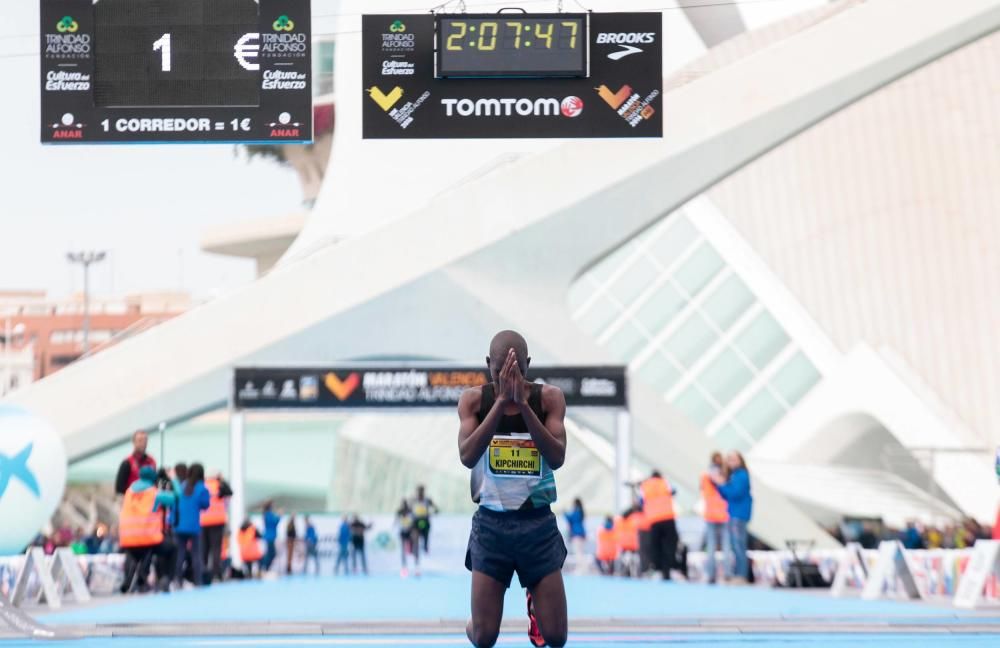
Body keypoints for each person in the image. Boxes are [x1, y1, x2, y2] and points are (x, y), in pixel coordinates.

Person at [458, 331, 568, 648]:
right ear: (488, 365)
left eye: (516, 370)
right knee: (483, 637)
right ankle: (478, 620)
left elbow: (557, 457)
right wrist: (502, 402)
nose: (507, 377)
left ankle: (536, 604)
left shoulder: (549, 399)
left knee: (556, 638)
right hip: (491, 526)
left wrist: (522, 405)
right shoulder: (474, 401)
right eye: (499, 372)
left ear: (528, 365)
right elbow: (467, 456)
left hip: (537, 526)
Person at [119, 465, 175, 593]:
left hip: (128, 540)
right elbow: (175, 498)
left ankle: (130, 580)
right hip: (147, 539)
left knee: (135, 552)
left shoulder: (128, 492)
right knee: (172, 548)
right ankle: (166, 579)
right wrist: (171, 480)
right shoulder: (154, 493)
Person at [712, 451, 753, 583]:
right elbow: (726, 496)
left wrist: (721, 484)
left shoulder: (741, 475)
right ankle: (738, 574)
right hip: (733, 513)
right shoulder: (734, 475)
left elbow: (735, 494)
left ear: (740, 460)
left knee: (739, 545)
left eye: (734, 459)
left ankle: (741, 575)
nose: (731, 462)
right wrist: (721, 485)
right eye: (729, 459)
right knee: (736, 546)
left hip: (739, 514)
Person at [174, 463, 210, 588]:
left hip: (179, 526)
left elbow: (175, 503)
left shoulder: (181, 486)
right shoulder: (202, 488)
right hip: (194, 526)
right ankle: (198, 581)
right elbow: (205, 505)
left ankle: (177, 580)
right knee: (196, 554)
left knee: (180, 554)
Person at [640, 470, 678, 580]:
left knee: (656, 545)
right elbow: (674, 491)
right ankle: (668, 568)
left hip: (653, 520)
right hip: (668, 518)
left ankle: (658, 569)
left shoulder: (644, 485)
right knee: (670, 544)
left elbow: (641, 501)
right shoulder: (665, 482)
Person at [701, 452, 729, 584]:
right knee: (726, 546)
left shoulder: (705, 476)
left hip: (710, 513)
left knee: (711, 546)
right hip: (724, 512)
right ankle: (727, 574)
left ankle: (710, 574)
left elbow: (703, 491)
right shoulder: (725, 475)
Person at [200, 471, 233, 584]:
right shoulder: (219, 485)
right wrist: (221, 480)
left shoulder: (203, 484)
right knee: (216, 549)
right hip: (217, 521)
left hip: (204, 521)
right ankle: (216, 574)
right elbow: (230, 492)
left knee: (204, 549)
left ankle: (203, 573)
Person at [114, 430, 156, 495]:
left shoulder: (151, 461)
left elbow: (154, 483)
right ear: (134, 442)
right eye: (140, 440)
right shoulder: (127, 462)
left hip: (148, 501)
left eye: (145, 440)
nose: (143, 443)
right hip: (133, 501)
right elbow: (119, 489)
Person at [411, 485, 439, 554]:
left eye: (421, 491)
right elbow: (408, 509)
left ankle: (425, 548)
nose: (420, 493)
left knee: (425, 536)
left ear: (424, 492)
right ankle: (415, 548)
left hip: (425, 521)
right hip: (416, 521)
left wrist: (434, 512)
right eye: (418, 491)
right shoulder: (413, 500)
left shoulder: (427, 500)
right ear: (416, 492)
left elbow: (436, 509)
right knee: (415, 534)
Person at [396, 500, 420, 577]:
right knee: (403, 552)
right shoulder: (399, 514)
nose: (405, 508)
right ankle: (404, 569)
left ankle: (417, 568)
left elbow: (415, 524)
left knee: (415, 551)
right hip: (403, 533)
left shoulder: (411, 514)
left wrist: (414, 532)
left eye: (406, 506)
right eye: (403, 506)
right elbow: (397, 523)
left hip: (411, 533)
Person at [564, 498, 586, 574]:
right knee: (580, 552)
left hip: (577, 534)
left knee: (578, 552)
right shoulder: (581, 511)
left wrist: (565, 513)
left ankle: (581, 569)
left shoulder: (576, 511)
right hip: (581, 534)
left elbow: (570, 518)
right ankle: (581, 568)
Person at [261, 501, 281, 572]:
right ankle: (265, 568)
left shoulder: (267, 514)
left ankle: (265, 568)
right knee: (271, 554)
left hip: (270, 537)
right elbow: (274, 523)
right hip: (270, 537)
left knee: (271, 553)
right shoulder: (268, 514)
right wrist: (279, 515)